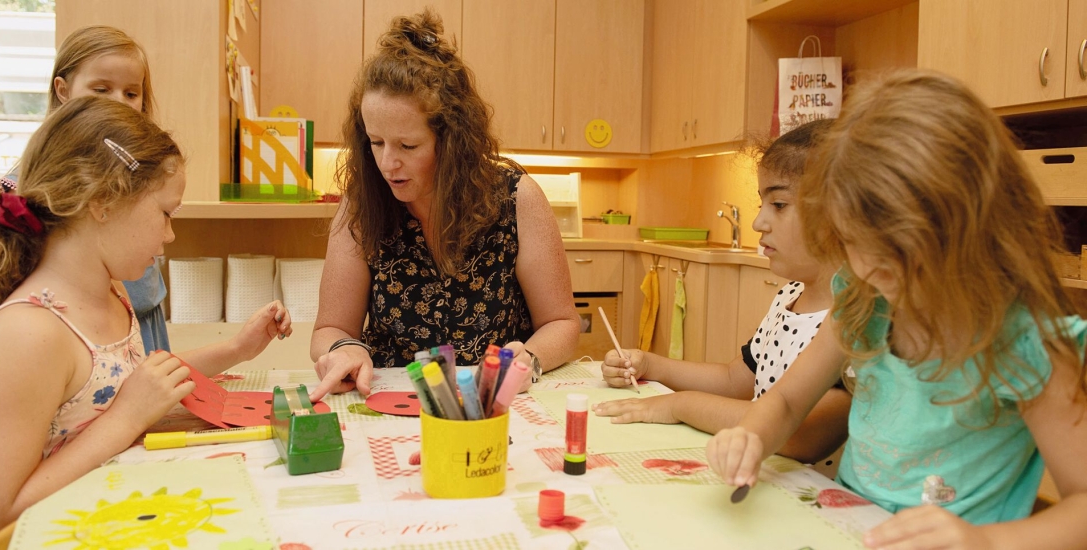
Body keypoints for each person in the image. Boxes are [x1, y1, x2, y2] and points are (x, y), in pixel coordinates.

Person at [706, 70, 1087, 549]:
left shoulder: (1032, 346)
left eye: (892, 245)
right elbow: (784, 402)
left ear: (967, 224)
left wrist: (985, 542)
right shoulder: (866, 300)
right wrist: (753, 437)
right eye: (850, 240)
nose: (865, 264)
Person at [0, 97, 294, 548]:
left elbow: (118, 383)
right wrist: (126, 420)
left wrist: (235, 350)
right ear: (103, 201)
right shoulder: (29, 334)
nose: (170, 235)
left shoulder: (110, 292)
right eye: (166, 214)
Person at [309, 10, 579, 400]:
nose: (387, 164)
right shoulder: (362, 202)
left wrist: (530, 359)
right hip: (390, 400)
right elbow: (329, 330)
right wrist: (343, 349)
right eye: (376, 142)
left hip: (495, 403)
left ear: (453, 142)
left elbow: (562, 323)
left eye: (408, 145)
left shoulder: (516, 198)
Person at [595, 120, 851, 469]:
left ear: (841, 210)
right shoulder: (789, 296)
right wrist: (651, 365)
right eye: (762, 204)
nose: (758, 222)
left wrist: (680, 405)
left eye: (778, 204)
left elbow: (799, 435)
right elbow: (737, 380)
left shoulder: (855, 316)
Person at [0, 25, 172, 354]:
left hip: (139, 324)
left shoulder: (142, 170)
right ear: (63, 89)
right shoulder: (38, 178)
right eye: (101, 89)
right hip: (78, 338)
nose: (119, 101)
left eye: (131, 93)